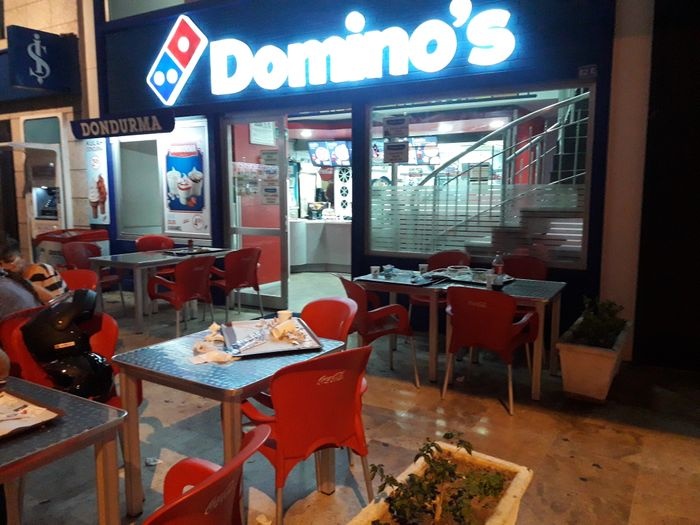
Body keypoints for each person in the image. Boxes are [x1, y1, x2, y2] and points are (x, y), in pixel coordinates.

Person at [0, 238, 67, 304]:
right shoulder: (11, 279)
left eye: (10, 261)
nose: (6, 266)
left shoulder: (40, 270)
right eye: (1, 264)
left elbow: (58, 301)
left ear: (22, 257)